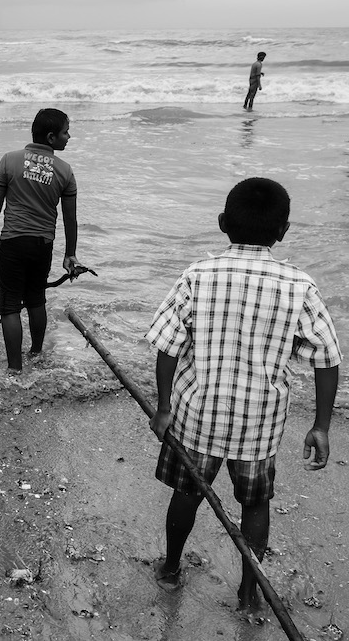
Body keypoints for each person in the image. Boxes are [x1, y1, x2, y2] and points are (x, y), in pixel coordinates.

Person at [146, 177, 341, 609]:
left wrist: (163, 408)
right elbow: (327, 357)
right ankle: (250, 591)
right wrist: (321, 426)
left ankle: (172, 567)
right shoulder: (298, 285)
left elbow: (167, 346)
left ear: (222, 223)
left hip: (198, 414)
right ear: (283, 230)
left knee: (187, 494)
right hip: (259, 423)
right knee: (255, 504)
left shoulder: (198, 275)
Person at [0, 108, 81, 371]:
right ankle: (36, 353)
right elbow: (70, 219)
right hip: (42, 245)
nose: (69, 136)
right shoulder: (65, 171)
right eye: (66, 131)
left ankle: (14, 368)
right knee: (36, 299)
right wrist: (70, 254)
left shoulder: (9, 161)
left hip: (12, 243)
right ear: (51, 137)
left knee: (10, 306)